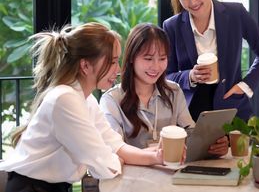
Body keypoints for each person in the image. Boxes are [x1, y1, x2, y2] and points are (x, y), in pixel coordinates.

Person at [0, 23, 164, 192]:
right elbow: (104, 166)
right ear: (85, 66)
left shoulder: (86, 99)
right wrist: (114, 160)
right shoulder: (65, 99)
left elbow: (114, 144)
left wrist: (156, 157)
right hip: (30, 188)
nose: (118, 69)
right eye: (113, 61)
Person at [163, 0, 259, 121]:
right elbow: (166, 75)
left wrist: (245, 85)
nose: (193, 2)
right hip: (190, 117)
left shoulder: (236, 13)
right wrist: (189, 76)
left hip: (232, 110)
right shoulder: (172, 26)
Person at [99, 23, 228, 156]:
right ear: (132, 57)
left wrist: (211, 145)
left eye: (162, 58)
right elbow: (114, 150)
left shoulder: (174, 91)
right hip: (133, 174)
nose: (156, 67)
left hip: (171, 172)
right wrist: (156, 155)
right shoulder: (112, 100)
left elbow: (190, 133)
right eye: (148, 59)